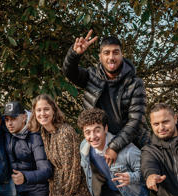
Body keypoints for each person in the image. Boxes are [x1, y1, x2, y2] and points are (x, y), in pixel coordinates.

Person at [62, 30, 149, 166]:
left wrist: (114, 146)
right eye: (106, 53)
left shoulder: (135, 83)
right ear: (100, 56)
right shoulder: (92, 76)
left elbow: (136, 121)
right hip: (98, 140)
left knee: (132, 184)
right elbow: (69, 73)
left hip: (129, 143)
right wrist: (74, 55)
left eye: (115, 52)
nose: (111, 57)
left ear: (121, 54)